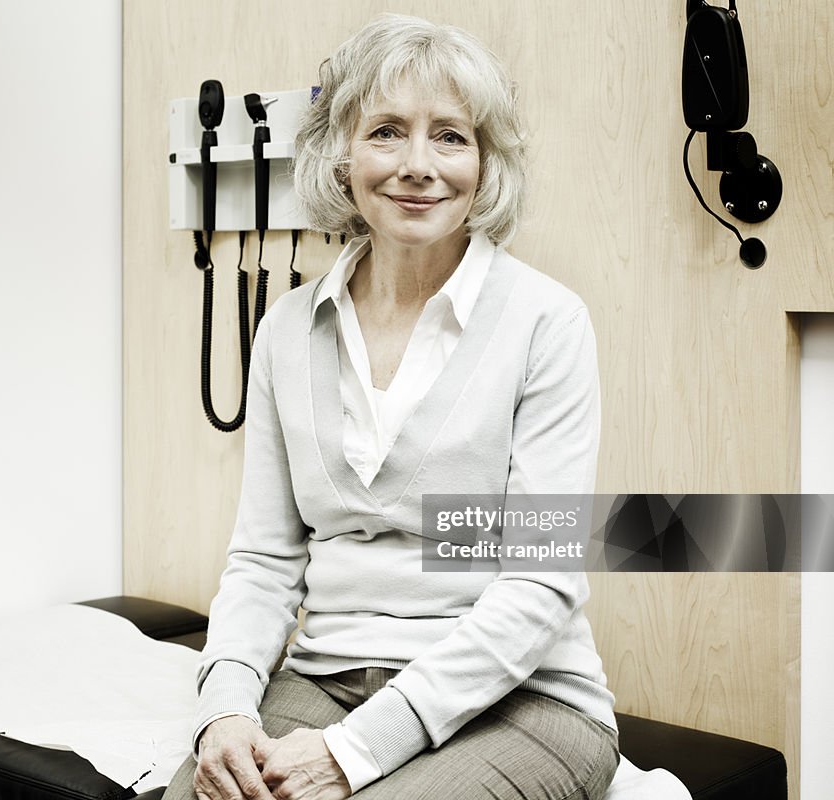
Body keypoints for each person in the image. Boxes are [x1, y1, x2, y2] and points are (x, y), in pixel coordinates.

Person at [164, 14, 618, 800]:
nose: (418, 165)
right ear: (341, 156)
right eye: (386, 132)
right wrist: (227, 707)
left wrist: (353, 752)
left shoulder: (547, 322)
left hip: (524, 702)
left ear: (485, 162)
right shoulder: (284, 332)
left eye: (450, 136)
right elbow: (267, 561)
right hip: (327, 677)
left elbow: (538, 585)